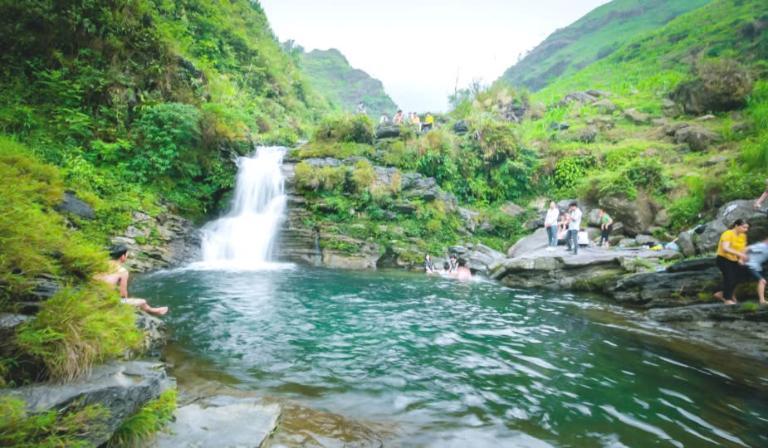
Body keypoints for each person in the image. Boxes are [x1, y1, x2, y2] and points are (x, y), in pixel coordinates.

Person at [95, 245, 169, 316]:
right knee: (143, 302)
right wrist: (126, 301)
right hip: (105, 302)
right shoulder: (122, 271)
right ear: (122, 256)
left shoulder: (98, 264)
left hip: (92, 297)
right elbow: (123, 294)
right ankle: (153, 311)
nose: (127, 257)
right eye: (127, 255)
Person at [714, 219, 750, 305]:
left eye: (747, 228)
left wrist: (741, 259)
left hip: (734, 260)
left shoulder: (743, 236)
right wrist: (739, 254)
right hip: (723, 259)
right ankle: (727, 299)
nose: (746, 229)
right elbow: (726, 248)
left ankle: (723, 294)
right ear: (736, 226)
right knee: (729, 277)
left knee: (741, 276)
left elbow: (743, 249)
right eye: (744, 227)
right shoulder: (728, 234)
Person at [745, 238, 768, 305]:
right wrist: (742, 258)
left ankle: (724, 294)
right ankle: (762, 300)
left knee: (740, 281)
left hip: (757, 267)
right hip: (750, 265)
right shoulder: (762, 246)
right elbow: (746, 248)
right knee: (762, 281)